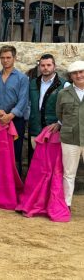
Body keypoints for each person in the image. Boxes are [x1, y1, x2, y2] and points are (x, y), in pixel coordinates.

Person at [0, 45, 29, 175]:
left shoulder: (22, 78)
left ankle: (14, 189)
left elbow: (23, 100)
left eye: (8, 57)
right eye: (2, 58)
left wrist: (10, 115)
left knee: (15, 154)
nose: (5, 60)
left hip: (15, 121)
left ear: (14, 58)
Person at [56, 60, 84, 211]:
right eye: (75, 73)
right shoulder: (63, 93)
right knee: (68, 173)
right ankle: (66, 204)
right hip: (69, 139)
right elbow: (59, 114)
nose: (79, 75)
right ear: (70, 76)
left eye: (81, 72)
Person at [28, 54, 65, 159]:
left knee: (51, 162)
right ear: (39, 67)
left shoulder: (63, 84)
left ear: (54, 66)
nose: (45, 68)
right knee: (35, 161)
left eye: (49, 65)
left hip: (53, 130)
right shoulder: (33, 83)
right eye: (42, 65)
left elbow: (69, 109)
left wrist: (59, 123)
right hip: (35, 129)